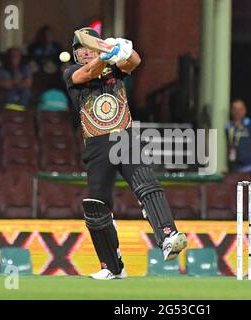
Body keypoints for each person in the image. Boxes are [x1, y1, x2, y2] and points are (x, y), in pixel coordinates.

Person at [63, 28, 187, 280]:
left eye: (90, 48)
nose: (86, 53)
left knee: (147, 185)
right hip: (96, 146)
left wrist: (121, 49)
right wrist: (107, 53)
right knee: (98, 207)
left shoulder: (113, 68)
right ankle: (112, 267)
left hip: (124, 138)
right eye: (81, 50)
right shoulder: (71, 72)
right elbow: (87, 73)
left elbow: (135, 61)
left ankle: (168, 236)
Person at [225, 99, 251, 181]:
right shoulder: (228, 127)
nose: (237, 112)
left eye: (240, 109)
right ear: (231, 111)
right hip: (235, 169)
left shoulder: (250, 125)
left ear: (244, 111)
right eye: (235, 109)